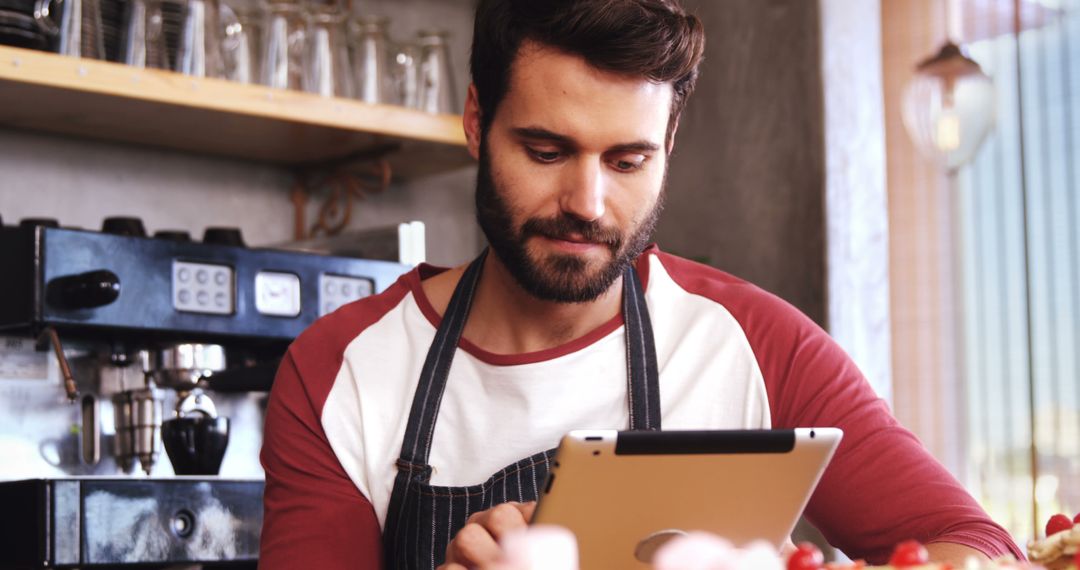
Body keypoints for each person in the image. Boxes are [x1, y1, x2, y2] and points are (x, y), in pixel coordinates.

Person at [259, 1, 1023, 569]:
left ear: (669, 146)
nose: (587, 204)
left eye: (627, 161)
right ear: (475, 119)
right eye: (547, 149)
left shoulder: (755, 344)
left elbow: (985, 551)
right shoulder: (344, 371)